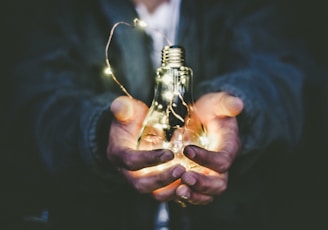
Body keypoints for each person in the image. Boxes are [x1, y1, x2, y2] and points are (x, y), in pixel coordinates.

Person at [3, 0, 322, 229]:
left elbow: (285, 73)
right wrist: (100, 133)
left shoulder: (242, 8)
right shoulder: (61, 11)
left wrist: (240, 109)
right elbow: (33, 98)